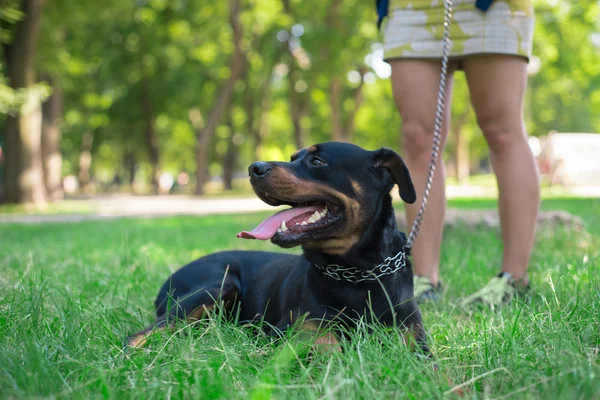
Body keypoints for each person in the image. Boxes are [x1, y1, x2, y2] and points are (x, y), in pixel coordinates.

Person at [378, 0, 540, 307]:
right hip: (413, 8)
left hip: (493, 8)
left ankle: (514, 279)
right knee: (416, 137)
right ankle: (423, 279)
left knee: (502, 132)